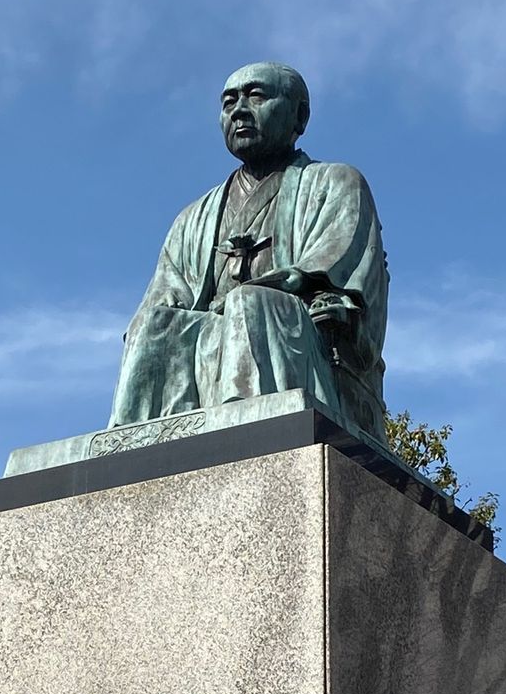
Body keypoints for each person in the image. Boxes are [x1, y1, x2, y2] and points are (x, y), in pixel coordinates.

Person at [108, 62, 389, 438]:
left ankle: (244, 435)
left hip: (293, 335)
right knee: (153, 327)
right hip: (208, 341)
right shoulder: (194, 217)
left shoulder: (337, 183)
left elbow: (336, 272)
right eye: (228, 102)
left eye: (256, 96)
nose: (239, 110)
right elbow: (164, 298)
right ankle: (137, 447)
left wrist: (290, 285)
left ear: (299, 115)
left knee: (249, 303)